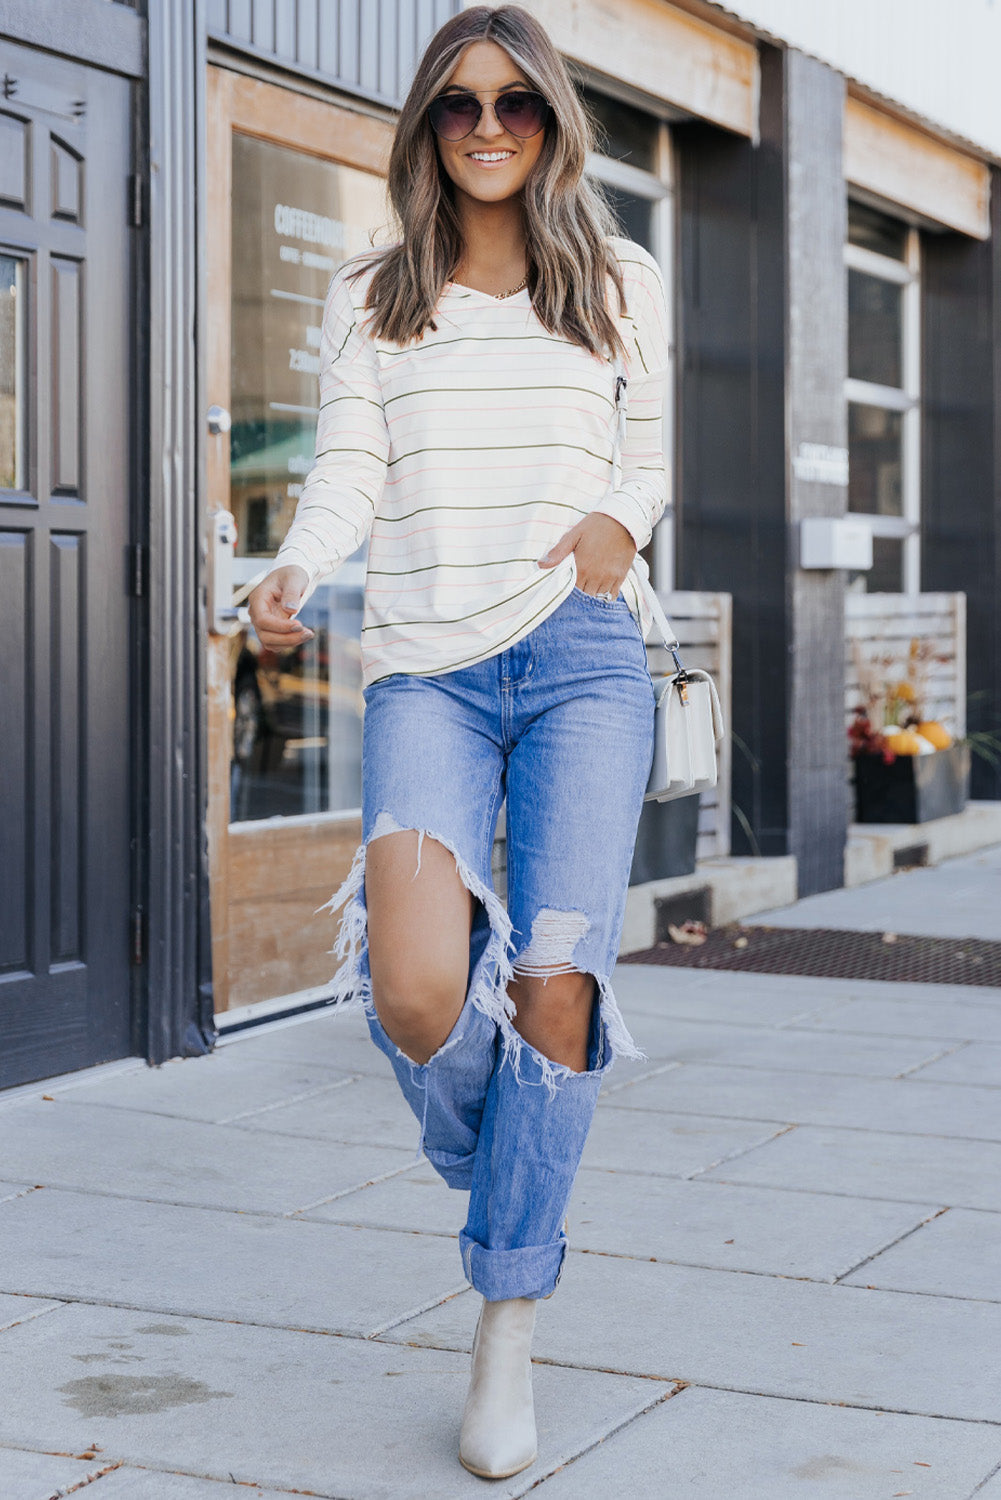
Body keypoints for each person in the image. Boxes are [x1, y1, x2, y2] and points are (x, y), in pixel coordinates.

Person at [248, 4, 669, 1481]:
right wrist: (294, 563)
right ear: (426, 124)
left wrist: (621, 524)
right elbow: (347, 466)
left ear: (553, 120)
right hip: (427, 669)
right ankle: (518, 1178)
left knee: (553, 984)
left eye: (516, 103)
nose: (489, 128)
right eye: (459, 104)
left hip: (582, 662)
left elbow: (648, 455)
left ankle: (506, 1320)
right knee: (421, 990)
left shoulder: (620, 278)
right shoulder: (375, 293)